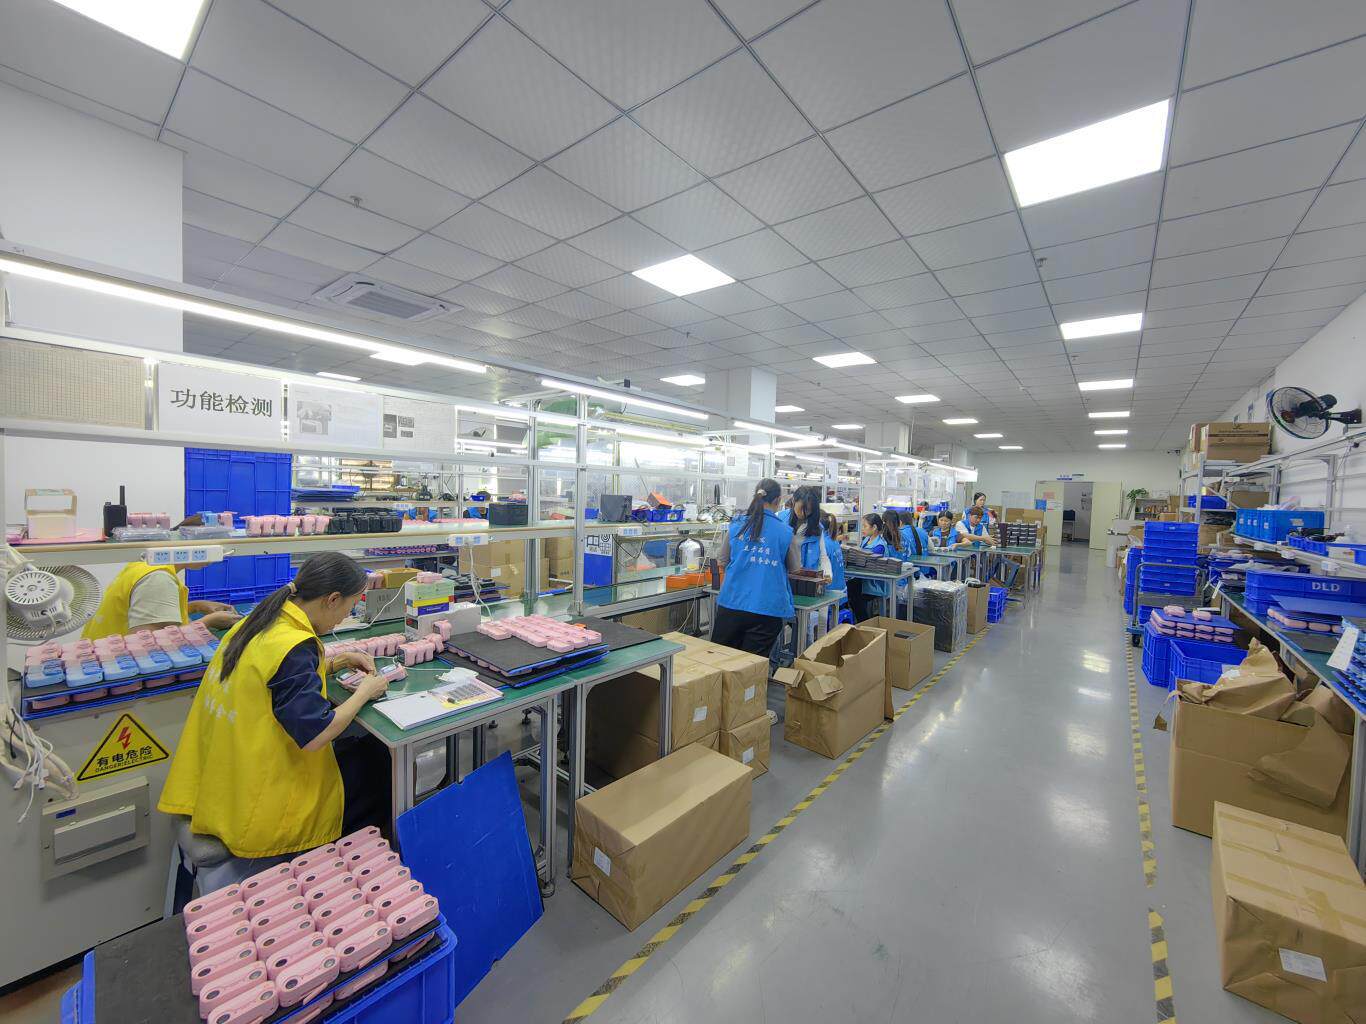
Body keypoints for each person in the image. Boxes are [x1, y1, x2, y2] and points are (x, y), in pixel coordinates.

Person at [159, 552, 390, 890]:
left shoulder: (258, 622)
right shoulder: (294, 644)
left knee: (358, 753)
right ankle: (336, 882)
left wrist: (335, 662)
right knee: (378, 765)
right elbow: (316, 734)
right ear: (332, 599)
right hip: (258, 797)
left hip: (220, 776)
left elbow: (267, 678)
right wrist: (366, 691)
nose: (345, 618)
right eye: (349, 607)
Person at [712, 479, 802, 657]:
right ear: (778, 500)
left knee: (720, 661)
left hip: (732, 603)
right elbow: (795, 568)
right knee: (752, 666)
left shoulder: (737, 525)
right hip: (766, 608)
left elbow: (721, 561)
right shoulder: (785, 532)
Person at [83, 560, 241, 639]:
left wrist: (195, 606)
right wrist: (208, 622)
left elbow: (145, 611)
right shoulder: (158, 578)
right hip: (117, 668)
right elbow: (149, 641)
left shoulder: (146, 564)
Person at [846, 513, 891, 622]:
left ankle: (864, 622)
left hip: (874, 584)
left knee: (854, 594)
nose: (862, 529)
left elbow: (867, 561)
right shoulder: (866, 540)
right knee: (849, 587)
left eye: (865, 526)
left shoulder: (880, 545)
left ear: (874, 527)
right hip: (864, 580)